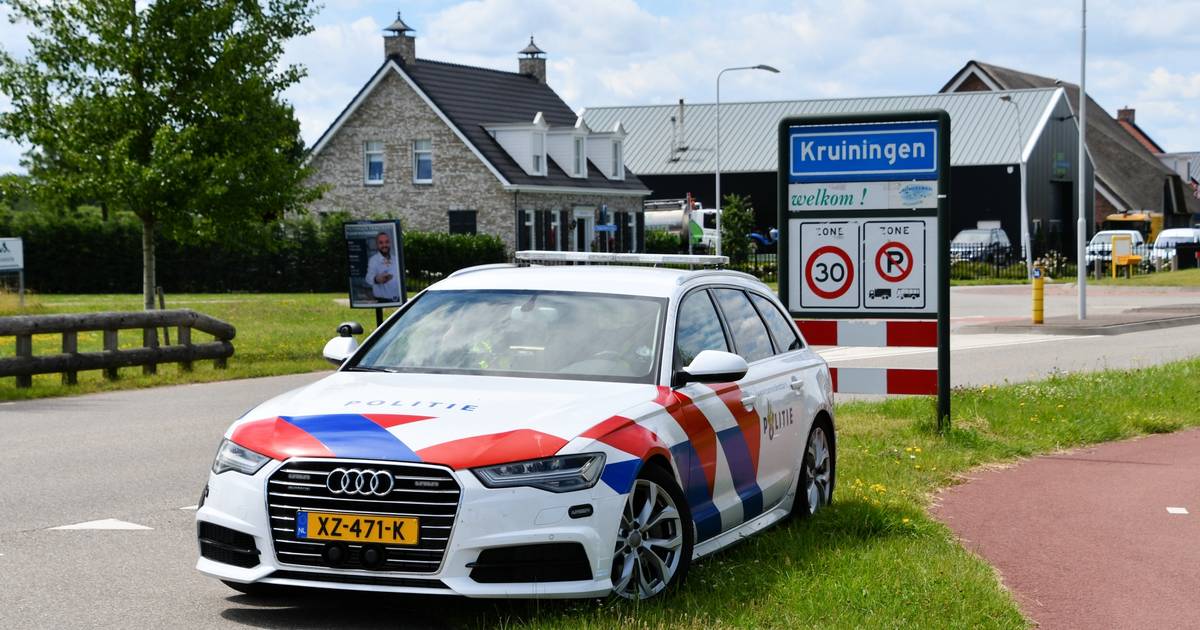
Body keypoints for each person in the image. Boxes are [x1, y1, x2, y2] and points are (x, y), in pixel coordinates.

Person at [364, 231, 401, 302]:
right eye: (381, 243)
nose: (384, 245)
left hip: (397, 299)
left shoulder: (396, 259)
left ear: (390, 243)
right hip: (381, 300)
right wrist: (376, 279)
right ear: (377, 245)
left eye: (386, 242)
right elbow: (368, 278)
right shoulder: (373, 260)